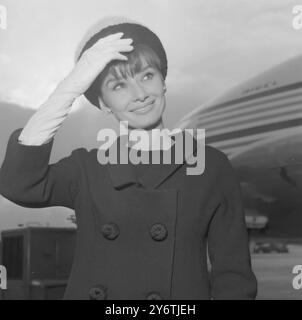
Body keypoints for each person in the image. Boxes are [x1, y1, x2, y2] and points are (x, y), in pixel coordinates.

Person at [0, 16, 257, 300]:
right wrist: (70, 87)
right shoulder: (87, 168)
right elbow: (18, 183)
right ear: (103, 104)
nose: (140, 95)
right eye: (118, 86)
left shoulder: (209, 166)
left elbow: (234, 279)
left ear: (163, 81)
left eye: (147, 75)